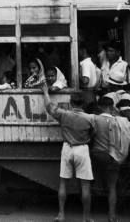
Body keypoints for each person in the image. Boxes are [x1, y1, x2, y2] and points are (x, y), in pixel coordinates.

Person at [41, 85, 94, 222]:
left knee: (63, 183)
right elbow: (94, 134)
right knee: (85, 186)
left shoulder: (64, 114)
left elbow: (49, 107)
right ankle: (86, 218)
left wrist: (46, 92)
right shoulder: (90, 118)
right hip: (82, 149)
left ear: (71, 102)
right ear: (83, 104)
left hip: (67, 148)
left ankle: (61, 214)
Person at [91, 96, 130, 222]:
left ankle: (87, 213)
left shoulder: (94, 119)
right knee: (112, 186)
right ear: (112, 106)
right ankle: (112, 215)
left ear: (99, 106)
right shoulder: (118, 121)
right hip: (112, 156)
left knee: (88, 182)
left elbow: (91, 136)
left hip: (97, 155)